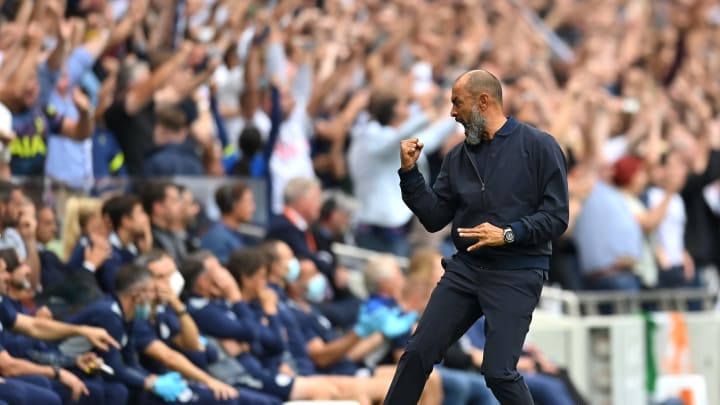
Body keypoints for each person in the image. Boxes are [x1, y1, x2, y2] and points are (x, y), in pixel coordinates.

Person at [384, 70, 569, 404]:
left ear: (484, 101)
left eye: (458, 102)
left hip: (517, 272)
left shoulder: (539, 146)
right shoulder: (457, 157)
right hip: (466, 269)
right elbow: (434, 216)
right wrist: (410, 174)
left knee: (498, 372)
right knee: (416, 354)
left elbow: (557, 217)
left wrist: (509, 234)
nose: (452, 112)